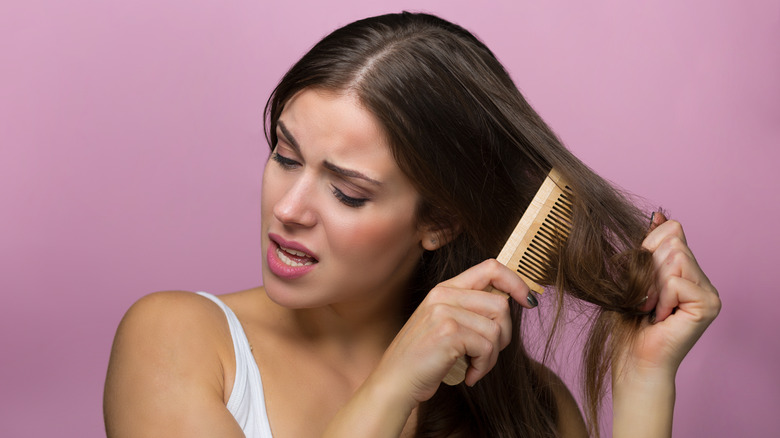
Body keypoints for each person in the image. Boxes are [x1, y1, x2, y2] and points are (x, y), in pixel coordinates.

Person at [103, 12, 720, 438]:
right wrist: (394, 383)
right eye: (284, 157)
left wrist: (644, 380)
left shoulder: (532, 409)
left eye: (347, 192)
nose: (288, 208)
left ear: (442, 221)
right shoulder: (177, 340)